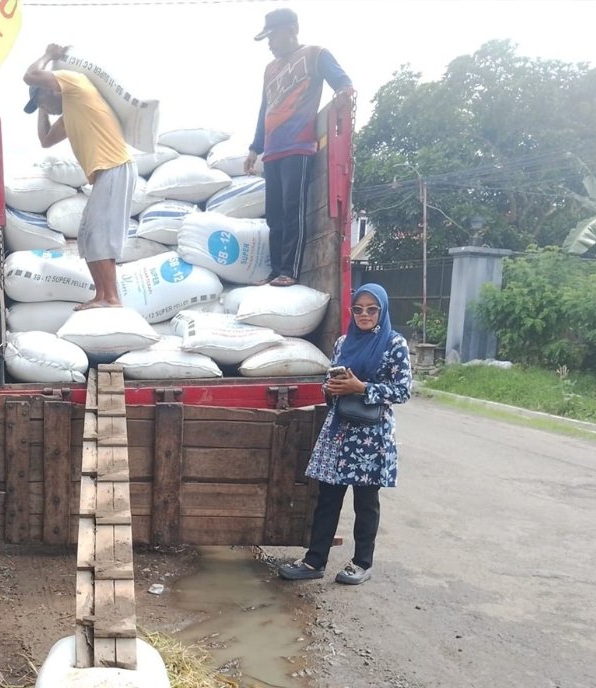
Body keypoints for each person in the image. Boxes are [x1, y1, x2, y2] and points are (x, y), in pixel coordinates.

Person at [279, 284, 412, 585]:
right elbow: (331, 376)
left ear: (382, 311)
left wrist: (362, 388)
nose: (364, 315)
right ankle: (315, 561)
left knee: (365, 501)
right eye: (359, 309)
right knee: (327, 497)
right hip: (340, 430)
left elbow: (403, 391)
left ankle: (361, 564)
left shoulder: (394, 344)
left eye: (372, 309)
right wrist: (331, 388)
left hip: (371, 435)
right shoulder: (343, 342)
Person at [244, 8, 354, 287]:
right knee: (275, 215)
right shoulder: (270, 70)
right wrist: (255, 148)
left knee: (293, 209)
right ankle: (276, 270)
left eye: (272, 36)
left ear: (291, 29)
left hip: (298, 145)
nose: (269, 43)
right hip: (272, 150)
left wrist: (344, 95)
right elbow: (263, 110)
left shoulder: (315, 55)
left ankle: (290, 271)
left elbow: (343, 83)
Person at [23, 43, 136, 310]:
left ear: (51, 87)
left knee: (100, 234)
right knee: (87, 236)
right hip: (106, 172)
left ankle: (110, 298)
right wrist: (41, 106)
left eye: (39, 99)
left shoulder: (75, 85)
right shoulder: (70, 111)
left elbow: (29, 75)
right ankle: (102, 295)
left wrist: (49, 56)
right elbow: (45, 140)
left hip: (115, 165)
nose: (43, 106)